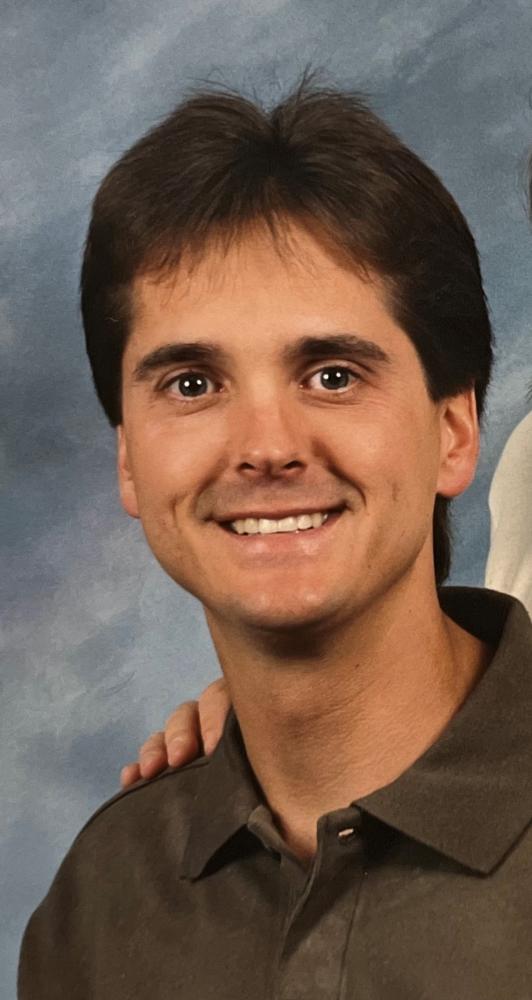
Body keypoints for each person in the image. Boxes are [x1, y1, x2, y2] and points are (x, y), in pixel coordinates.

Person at [19, 72, 532, 998]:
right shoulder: (96, 907)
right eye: (192, 385)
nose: (265, 447)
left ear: (455, 431)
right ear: (129, 460)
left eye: (333, 375)